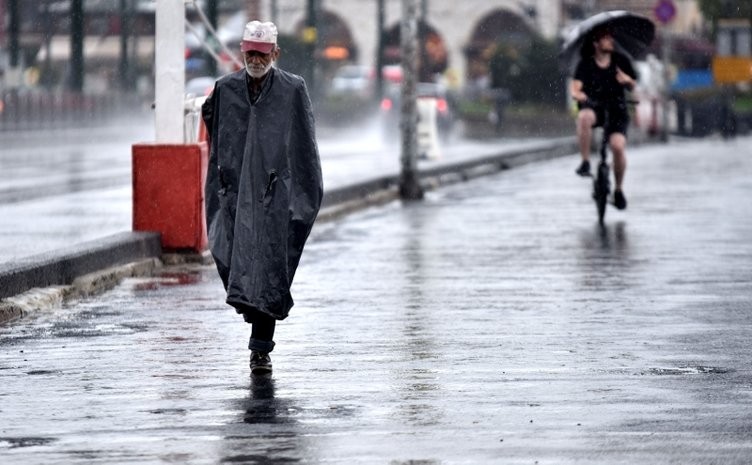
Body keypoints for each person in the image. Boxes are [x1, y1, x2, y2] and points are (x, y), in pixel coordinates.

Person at [201, 21, 323, 375]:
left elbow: (304, 144)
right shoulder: (225, 89)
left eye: (262, 52)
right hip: (235, 193)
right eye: (250, 52)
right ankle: (251, 313)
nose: (255, 59)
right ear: (242, 52)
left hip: (275, 196)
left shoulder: (292, 89)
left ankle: (260, 347)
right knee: (231, 257)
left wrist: (301, 196)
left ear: (275, 53)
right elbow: (215, 127)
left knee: (269, 267)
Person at [570, 26, 637, 210]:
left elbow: (633, 85)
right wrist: (578, 95)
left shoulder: (621, 61)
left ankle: (618, 190)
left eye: (611, 38)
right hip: (595, 108)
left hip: (617, 110)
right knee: (583, 117)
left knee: (617, 147)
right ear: (596, 43)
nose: (611, 41)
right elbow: (575, 87)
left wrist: (627, 81)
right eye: (606, 38)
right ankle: (585, 162)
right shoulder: (585, 64)